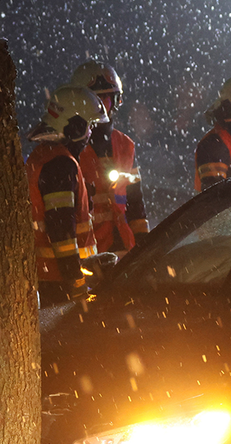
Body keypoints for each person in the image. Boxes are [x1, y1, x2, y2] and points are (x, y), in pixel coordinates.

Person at [27, 85, 105, 307]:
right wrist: (76, 282)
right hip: (63, 280)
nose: (89, 134)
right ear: (75, 126)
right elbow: (61, 230)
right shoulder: (61, 164)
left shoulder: (44, 155)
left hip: (50, 276)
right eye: (89, 126)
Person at [70, 61, 148, 254]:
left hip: (124, 249)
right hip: (88, 253)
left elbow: (136, 204)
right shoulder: (71, 148)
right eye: (96, 99)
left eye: (107, 98)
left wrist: (145, 248)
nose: (102, 107)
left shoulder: (126, 145)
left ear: (116, 100)